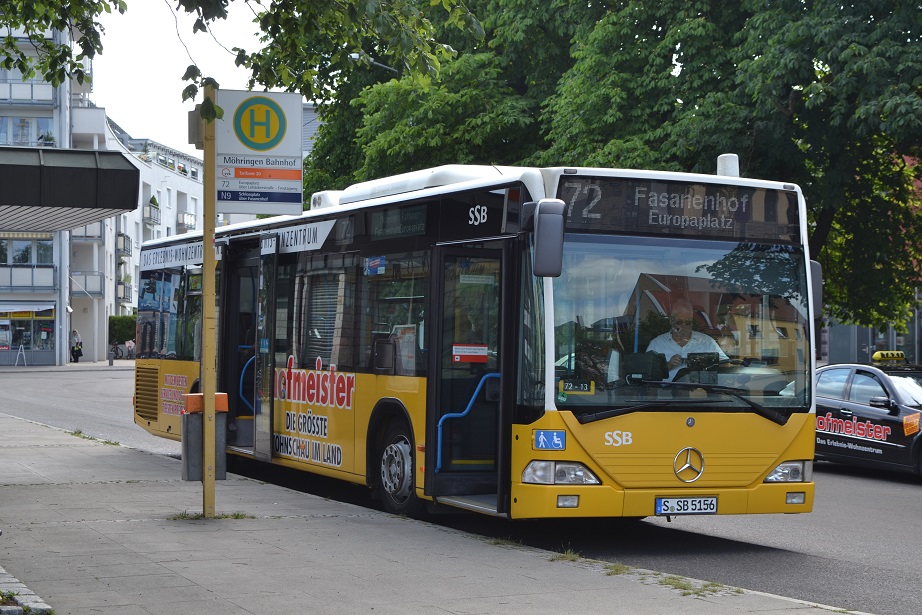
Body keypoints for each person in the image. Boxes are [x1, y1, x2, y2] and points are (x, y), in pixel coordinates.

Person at [646, 298, 727, 380]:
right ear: (671, 321)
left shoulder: (706, 341)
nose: (684, 326)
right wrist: (668, 366)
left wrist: (705, 362)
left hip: (700, 390)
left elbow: (725, 364)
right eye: (679, 322)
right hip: (665, 390)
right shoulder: (657, 343)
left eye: (688, 322)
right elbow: (647, 372)